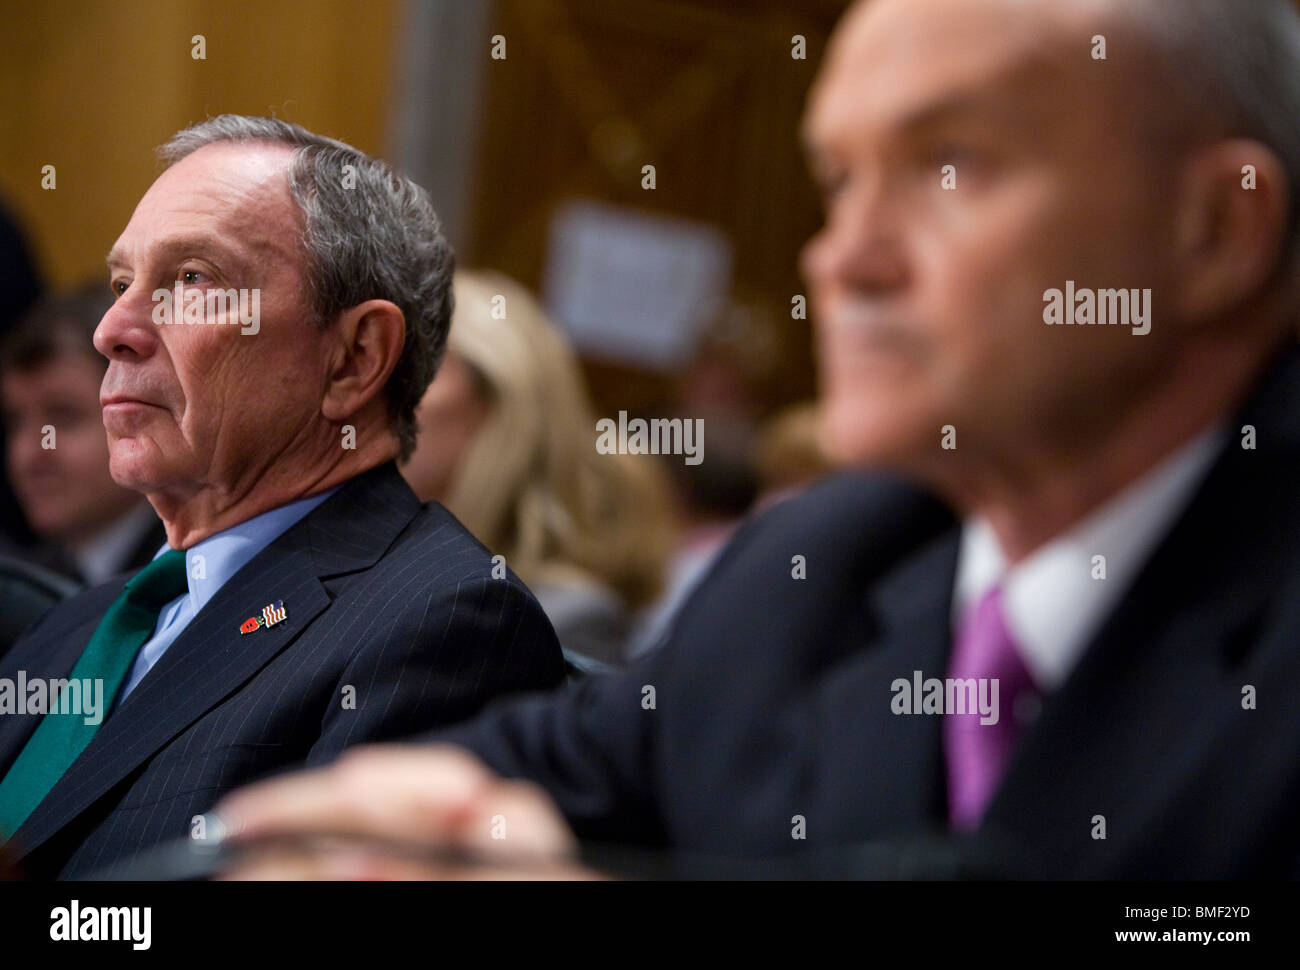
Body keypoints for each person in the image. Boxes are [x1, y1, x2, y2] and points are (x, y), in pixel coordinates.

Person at [214, 0, 1300, 879]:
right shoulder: (826, 565)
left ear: (1216, 228)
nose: (841, 259)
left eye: (950, 164)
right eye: (837, 180)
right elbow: (484, 786)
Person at [0, 116, 565, 879]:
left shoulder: (445, 625)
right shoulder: (76, 622)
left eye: (192, 280)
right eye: (123, 283)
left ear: (354, 359)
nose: (113, 330)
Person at [401, 270, 669, 666]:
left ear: (502, 408)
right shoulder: (357, 566)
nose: (372, 394)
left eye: (416, 369)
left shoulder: (558, 619)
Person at [1, 284, 166, 585]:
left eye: (64, 416)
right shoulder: (24, 590)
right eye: (15, 422)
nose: (28, 454)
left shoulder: (195, 571)